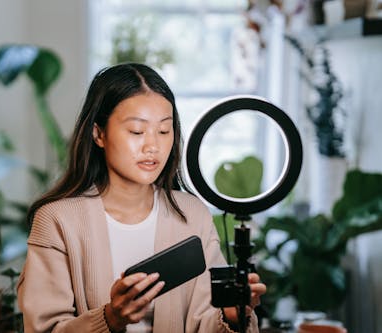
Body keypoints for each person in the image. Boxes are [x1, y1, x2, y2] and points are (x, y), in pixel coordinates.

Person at [17, 63, 266, 333]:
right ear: (98, 133)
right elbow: (44, 329)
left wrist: (231, 316)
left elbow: (205, 321)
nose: (152, 146)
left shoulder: (192, 214)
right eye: (137, 131)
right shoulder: (57, 220)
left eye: (163, 131)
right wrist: (111, 318)